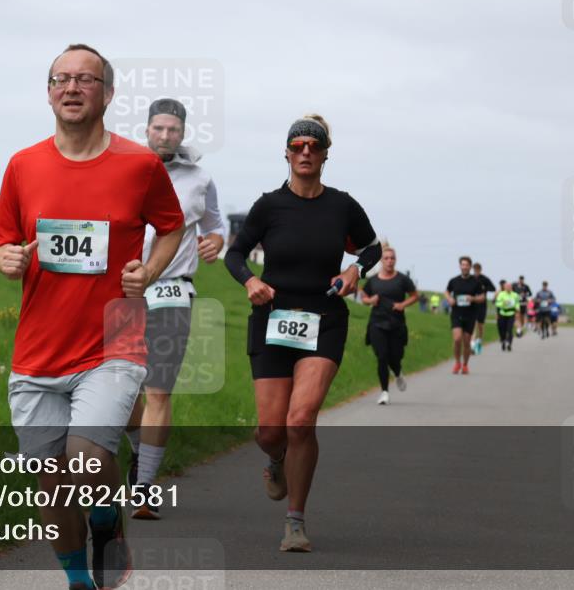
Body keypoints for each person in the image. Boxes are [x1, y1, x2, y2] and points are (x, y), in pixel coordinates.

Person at [0, 44, 185, 590]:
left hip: (113, 342)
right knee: (49, 482)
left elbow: (171, 226)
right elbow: (3, 240)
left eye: (86, 79)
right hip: (38, 351)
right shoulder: (22, 165)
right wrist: (7, 258)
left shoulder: (139, 165)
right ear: (49, 91)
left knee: (85, 457)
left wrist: (147, 272)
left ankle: (105, 515)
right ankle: (80, 581)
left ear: (108, 92)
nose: (72, 88)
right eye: (61, 79)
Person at [224, 114, 381, 552]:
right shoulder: (269, 205)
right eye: (298, 146)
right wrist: (250, 281)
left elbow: (372, 247)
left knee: (300, 420)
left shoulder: (342, 205)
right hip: (273, 318)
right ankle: (275, 459)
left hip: (324, 318)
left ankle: (295, 521)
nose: (306, 152)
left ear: (326, 153)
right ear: (287, 153)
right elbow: (234, 254)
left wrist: (355, 269)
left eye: (314, 145)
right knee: (271, 431)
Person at [124, 98, 227, 520]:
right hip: (123, 293)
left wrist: (216, 242)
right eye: (158, 129)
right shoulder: (123, 168)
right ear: (146, 130)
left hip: (171, 292)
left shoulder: (199, 178)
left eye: (173, 130)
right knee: (121, 392)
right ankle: (138, 457)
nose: (165, 136)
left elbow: (216, 224)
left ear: (182, 133)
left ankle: (144, 488)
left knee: (158, 389)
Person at [361, 246, 419, 405]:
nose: (389, 261)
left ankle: (398, 373)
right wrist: (370, 301)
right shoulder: (373, 281)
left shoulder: (402, 279)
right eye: (386, 258)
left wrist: (403, 304)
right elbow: (364, 296)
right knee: (381, 357)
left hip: (396, 324)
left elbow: (415, 296)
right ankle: (384, 392)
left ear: (395, 260)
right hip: (377, 323)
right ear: (381, 261)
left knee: (395, 357)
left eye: (392, 258)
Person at [445, 256, 483, 374]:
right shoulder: (454, 280)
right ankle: (457, 363)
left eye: (467, 265)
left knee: (466, 342)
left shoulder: (476, 282)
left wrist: (473, 298)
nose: (464, 267)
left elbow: (482, 297)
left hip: (470, 315)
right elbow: (446, 291)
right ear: (460, 266)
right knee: (457, 339)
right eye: (462, 264)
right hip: (457, 313)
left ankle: (465, 365)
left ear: (470, 267)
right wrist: (449, 299)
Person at [470, 262, 496, 355]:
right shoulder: (471, 278)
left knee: (480, 325)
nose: (476, 271)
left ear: (480, 270)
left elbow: (493, 288)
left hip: (482, 304)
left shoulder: (485, 279)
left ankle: (479, 341)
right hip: (472, 304)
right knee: (473, 324)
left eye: (478, 269)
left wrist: (485, 288)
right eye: (475, 269)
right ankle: (472, 344)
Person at [494, 280, 520, 351]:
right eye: (507, 287)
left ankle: (509, 344)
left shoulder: (515, 295)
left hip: (511, 314)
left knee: (509, 329)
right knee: (502, 330)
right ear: (505, 287)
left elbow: (517, 303)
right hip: (502, 314)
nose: (508, 288)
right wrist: (503, 303)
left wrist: (517, 308)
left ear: (511, 287)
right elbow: (497, 304)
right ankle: (503, 341)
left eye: (509, 287)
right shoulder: (501, 294)